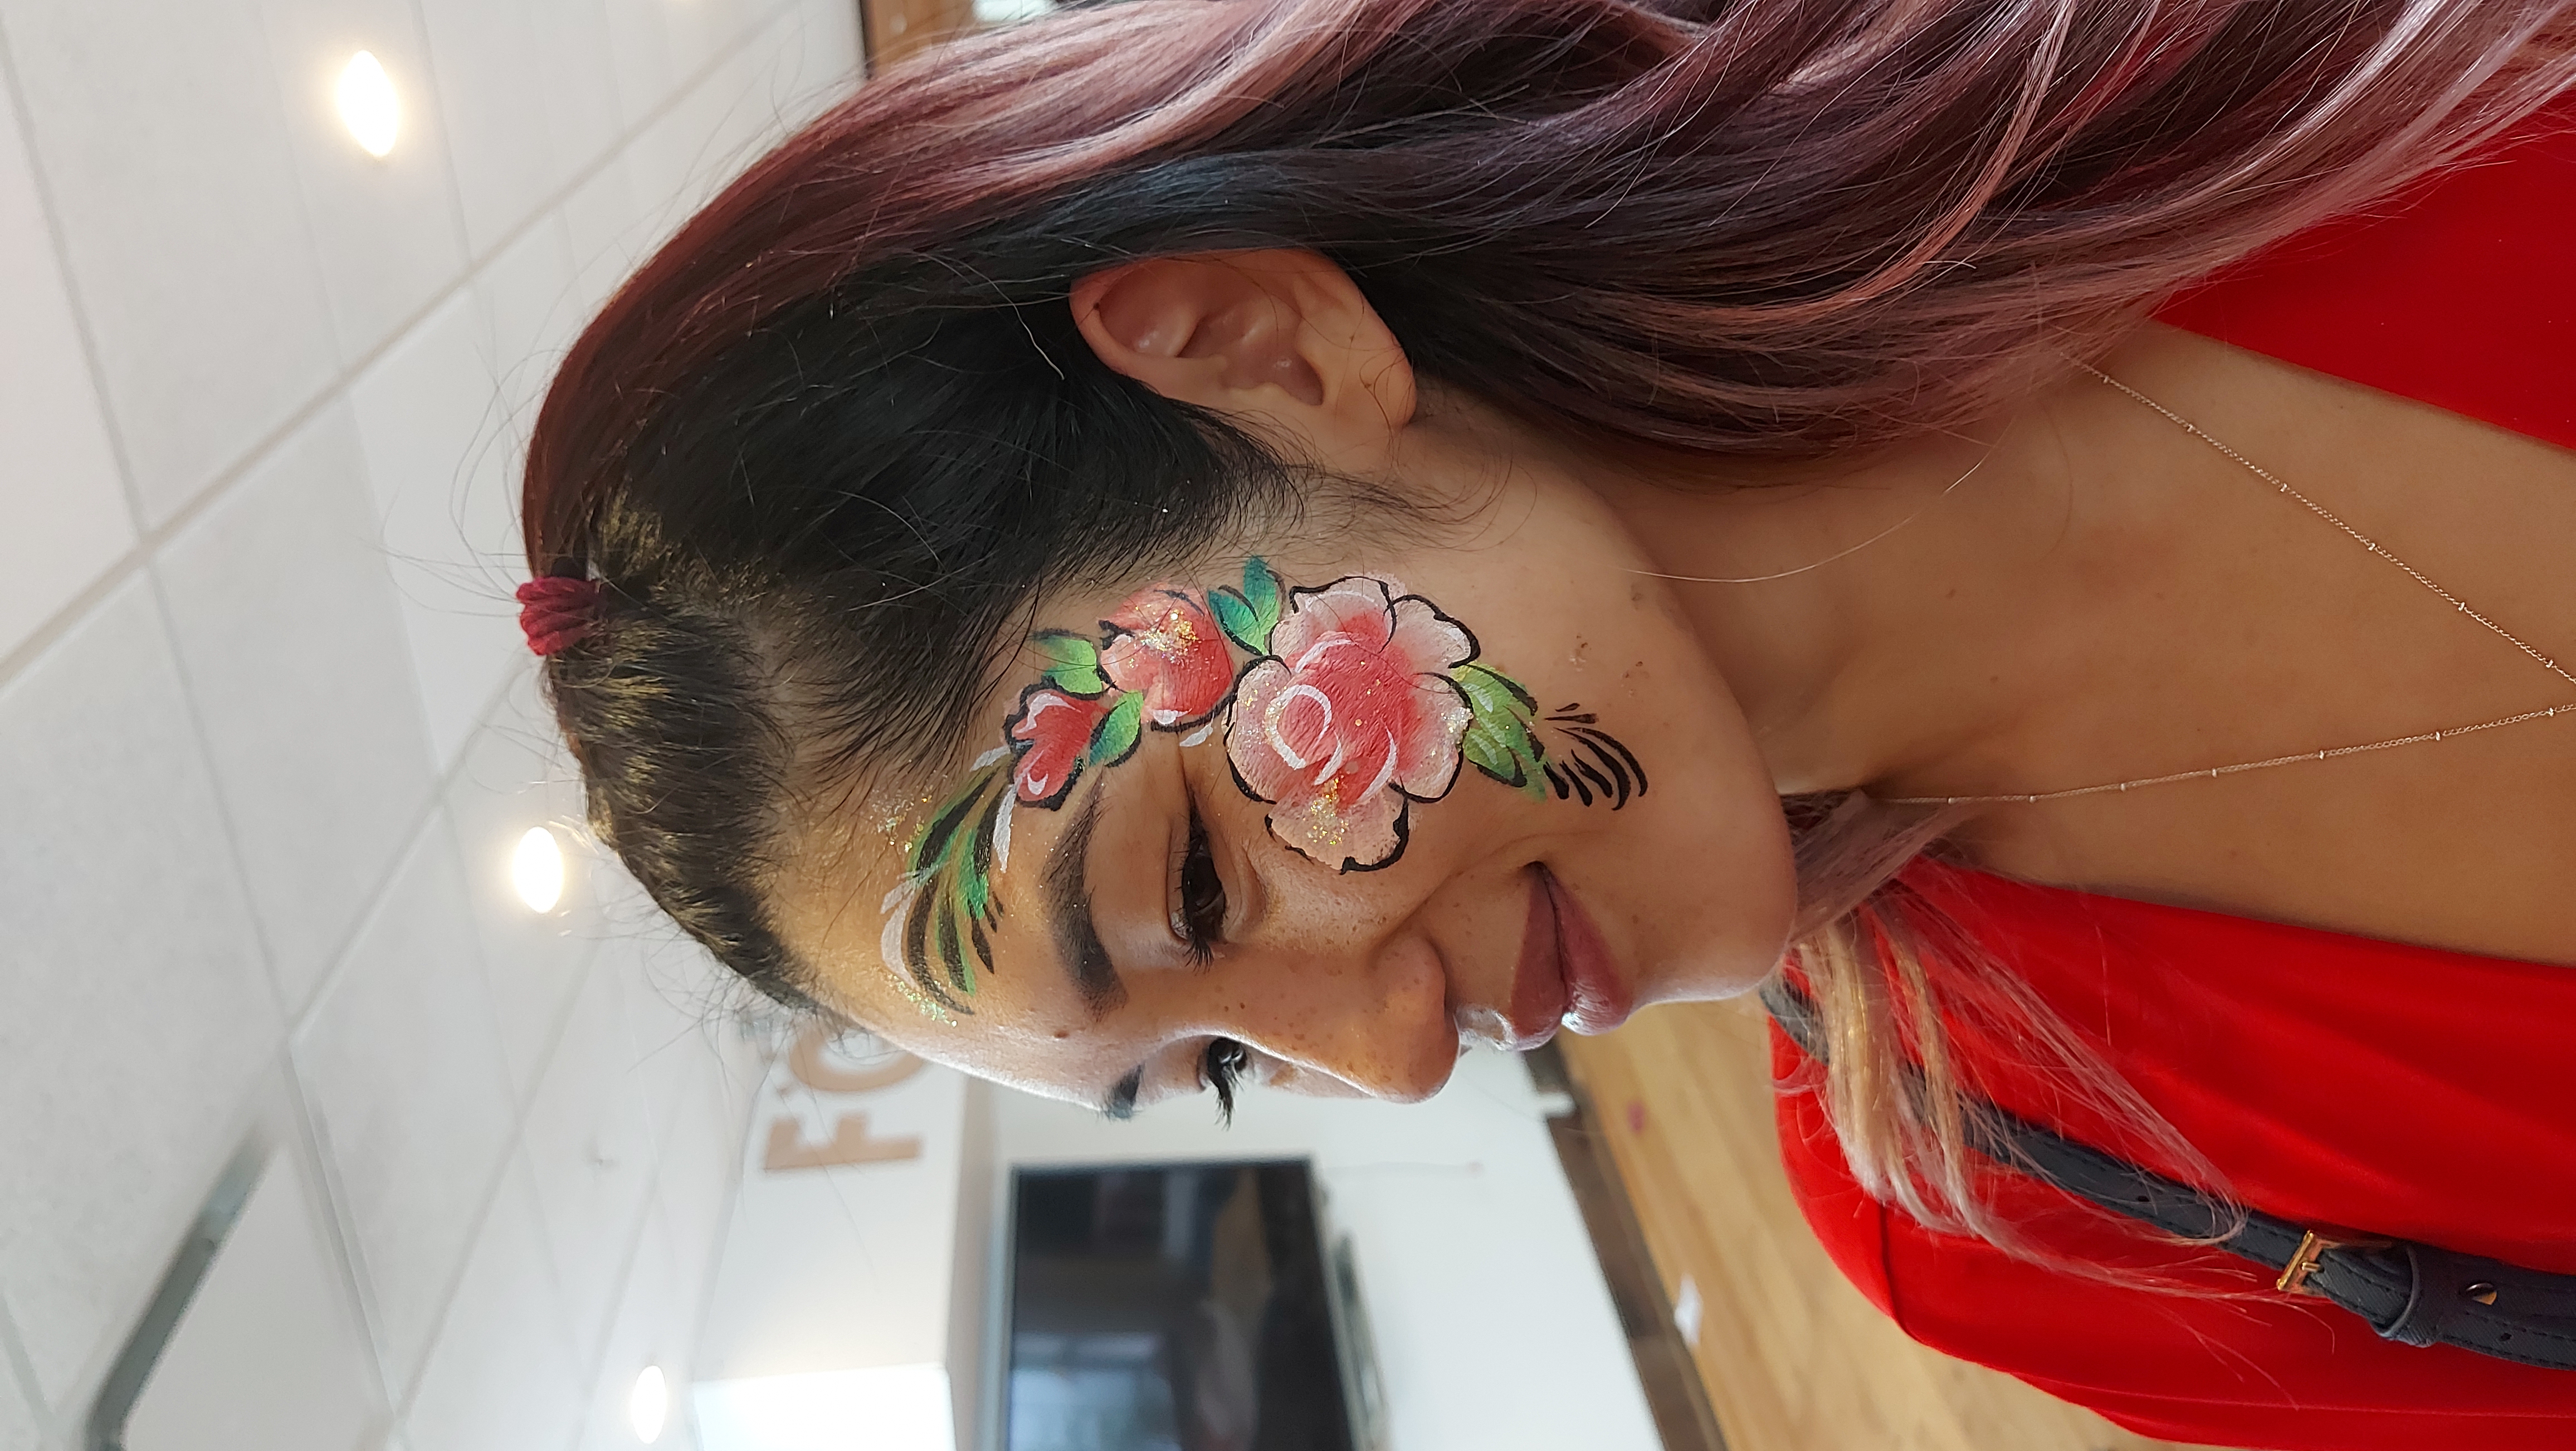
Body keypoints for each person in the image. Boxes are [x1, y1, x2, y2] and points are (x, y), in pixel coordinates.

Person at [514, 1, 2576, 1444]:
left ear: (1265, 353)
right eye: (1220, 1063)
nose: (1399, 1058)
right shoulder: (2014, 1213)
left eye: (1202, 878)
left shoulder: (2219, 66)